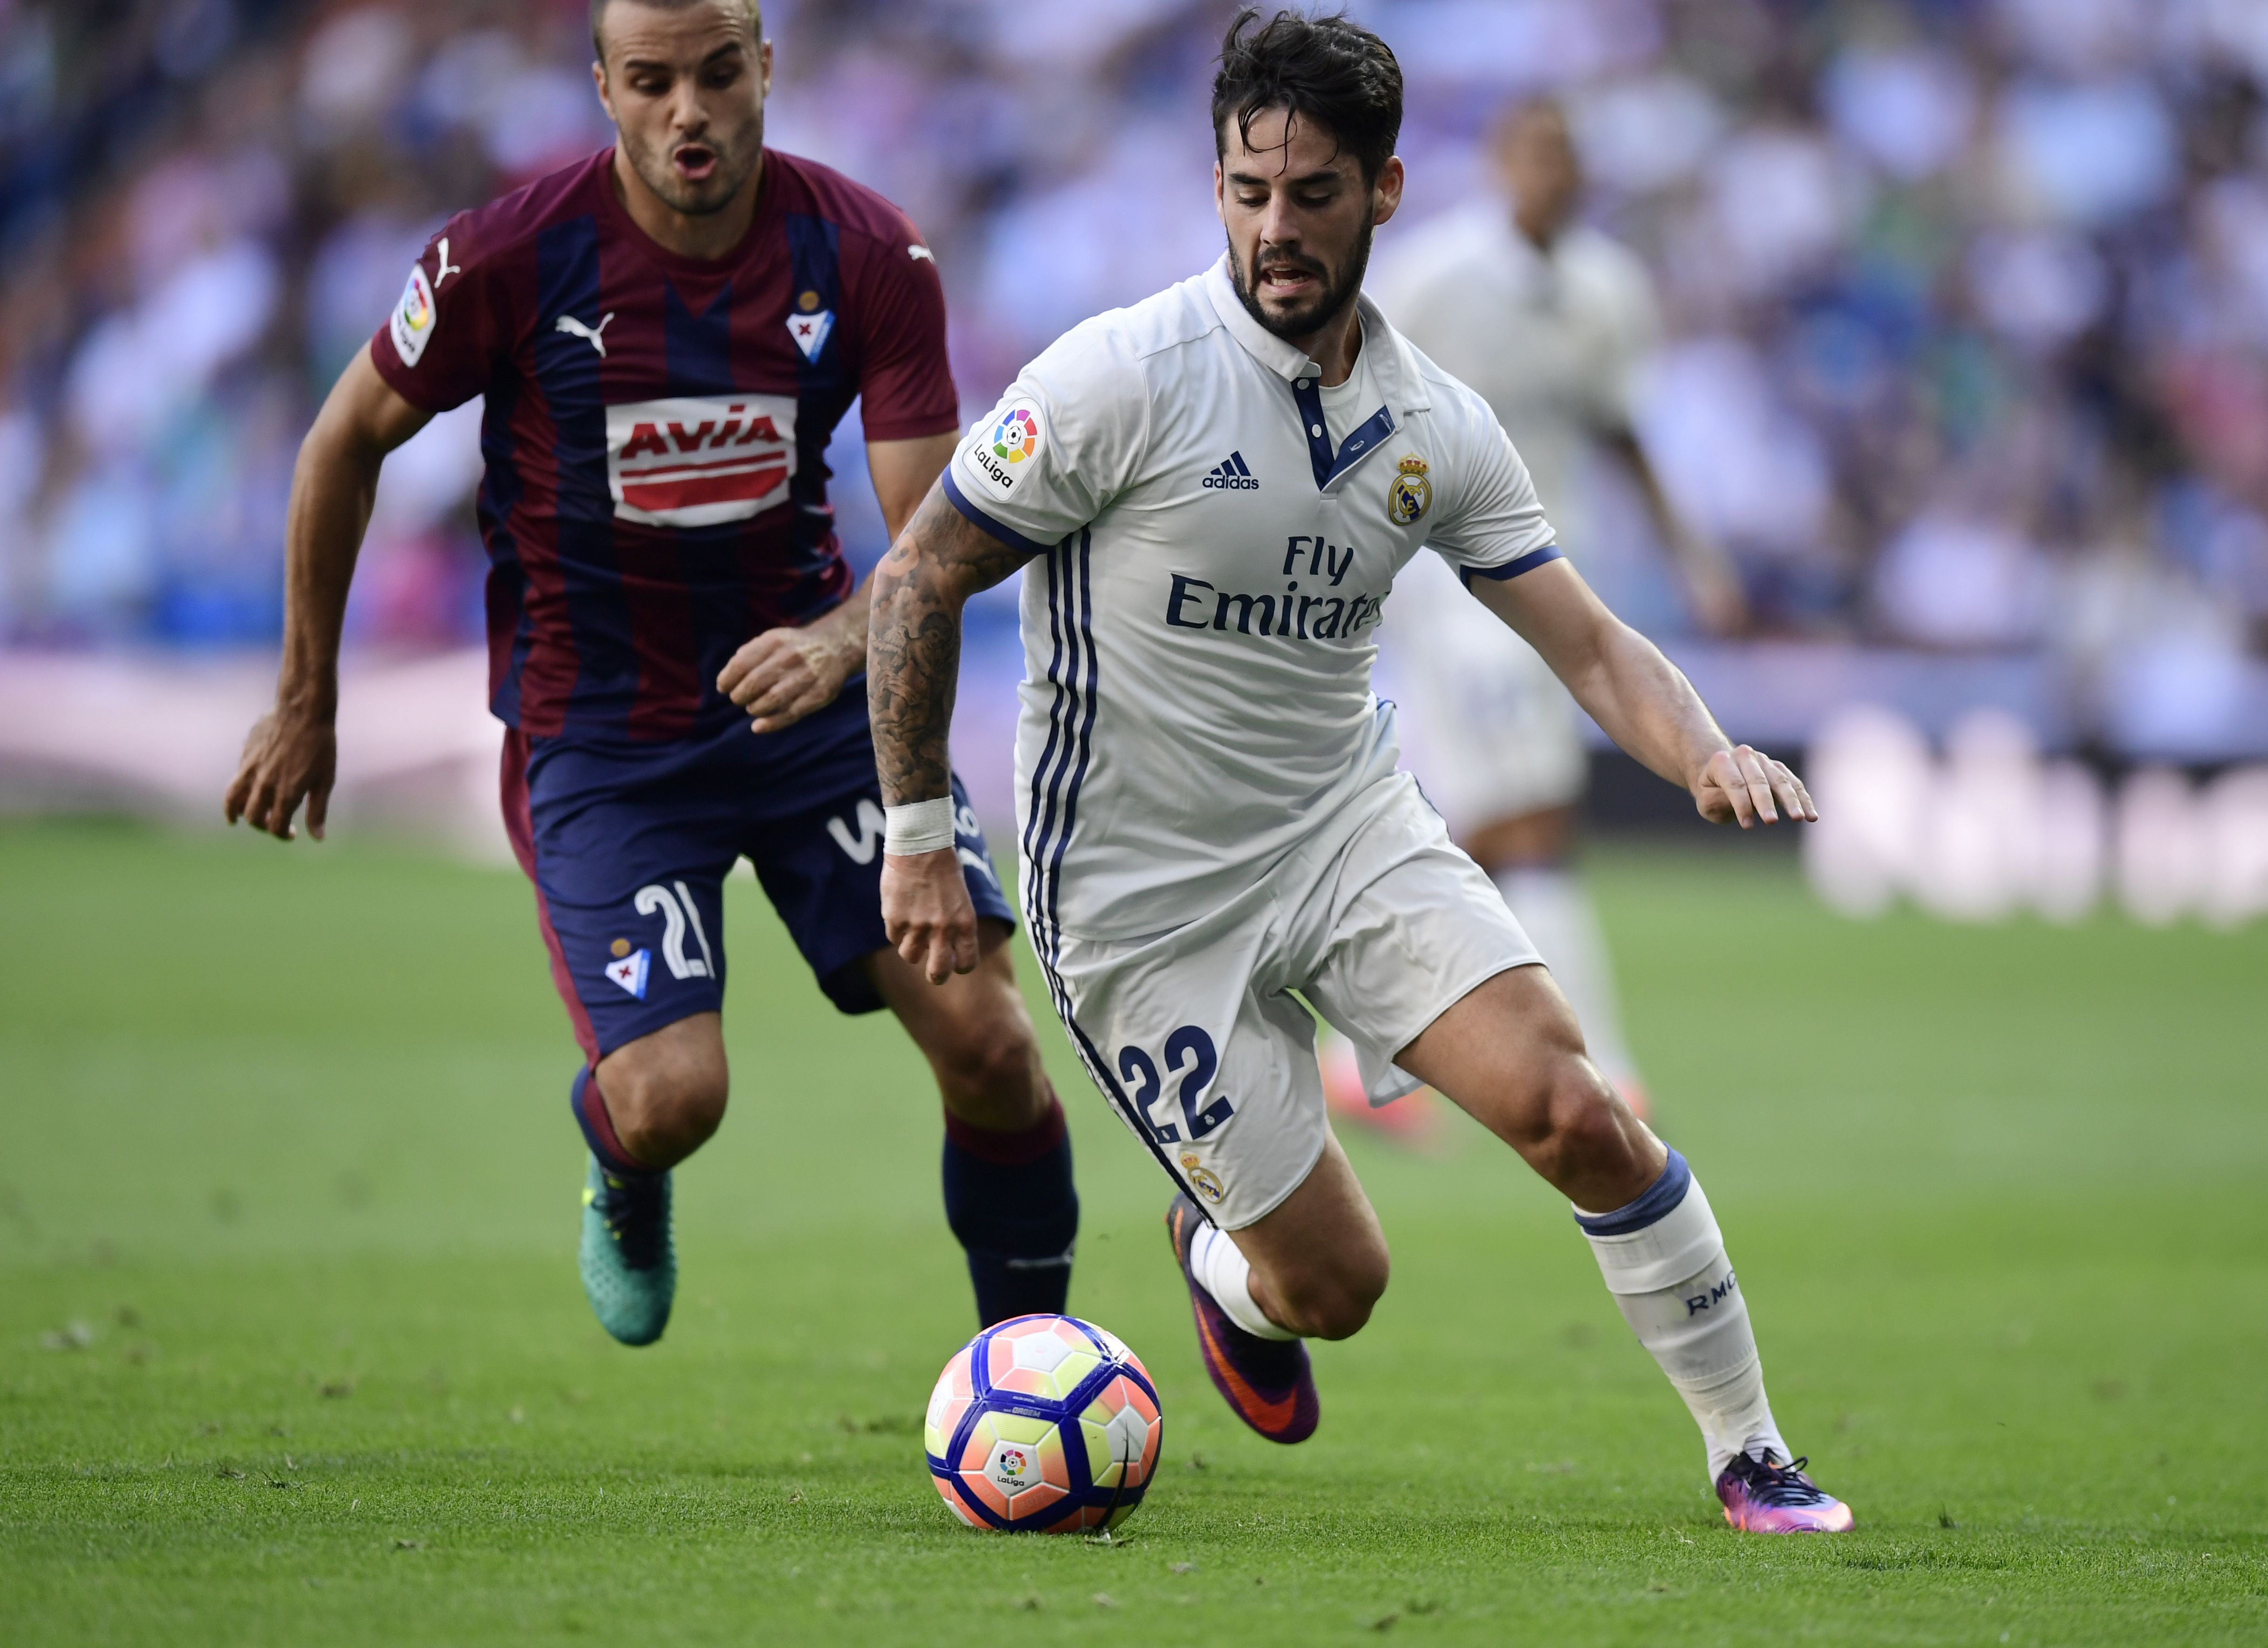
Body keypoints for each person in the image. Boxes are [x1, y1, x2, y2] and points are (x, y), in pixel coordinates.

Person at [866, 10, 1851, 1534]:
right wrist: (922, 836)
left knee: (1579, 1110)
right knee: (1336, 1287)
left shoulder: (1435, 424)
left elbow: (1587, 643)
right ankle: (1226, 1270)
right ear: (1214, 188)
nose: (1274, 226)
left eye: (1312, 193)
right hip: (1139, 901)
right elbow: (918, 577)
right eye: (1246, 190)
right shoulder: (1118, 378)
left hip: (1344, 831)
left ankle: (1749, 1448)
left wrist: (1705, 747)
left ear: (1383, 193)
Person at [222, 0, 1079, 1348]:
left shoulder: (866, 253)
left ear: (766, 72)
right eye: (654, 81)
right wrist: (306, 700)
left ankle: (1032, 1368)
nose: (691, 110)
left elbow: (938, 543)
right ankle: (622, 1169)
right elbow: (343, 441)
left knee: (990, 1039)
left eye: (720, 74)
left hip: (815, 718)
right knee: (677, 1097)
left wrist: (843, 641)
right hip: (606, 737)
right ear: (606, 89)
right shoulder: (507, 258)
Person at [1355, 95, 1747, 1120]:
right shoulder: (1433, 277)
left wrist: (1691, 556)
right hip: (1444, 574)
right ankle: (1603, 1062)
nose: (1552, 173)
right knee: (1533, 811)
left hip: (1555, 570)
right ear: (1499, 164)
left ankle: (1356, 1048)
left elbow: (1622, 433)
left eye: (1567, 157)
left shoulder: (1608, 292)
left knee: (1489, 817)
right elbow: (1349, 388)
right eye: (1534, 154)